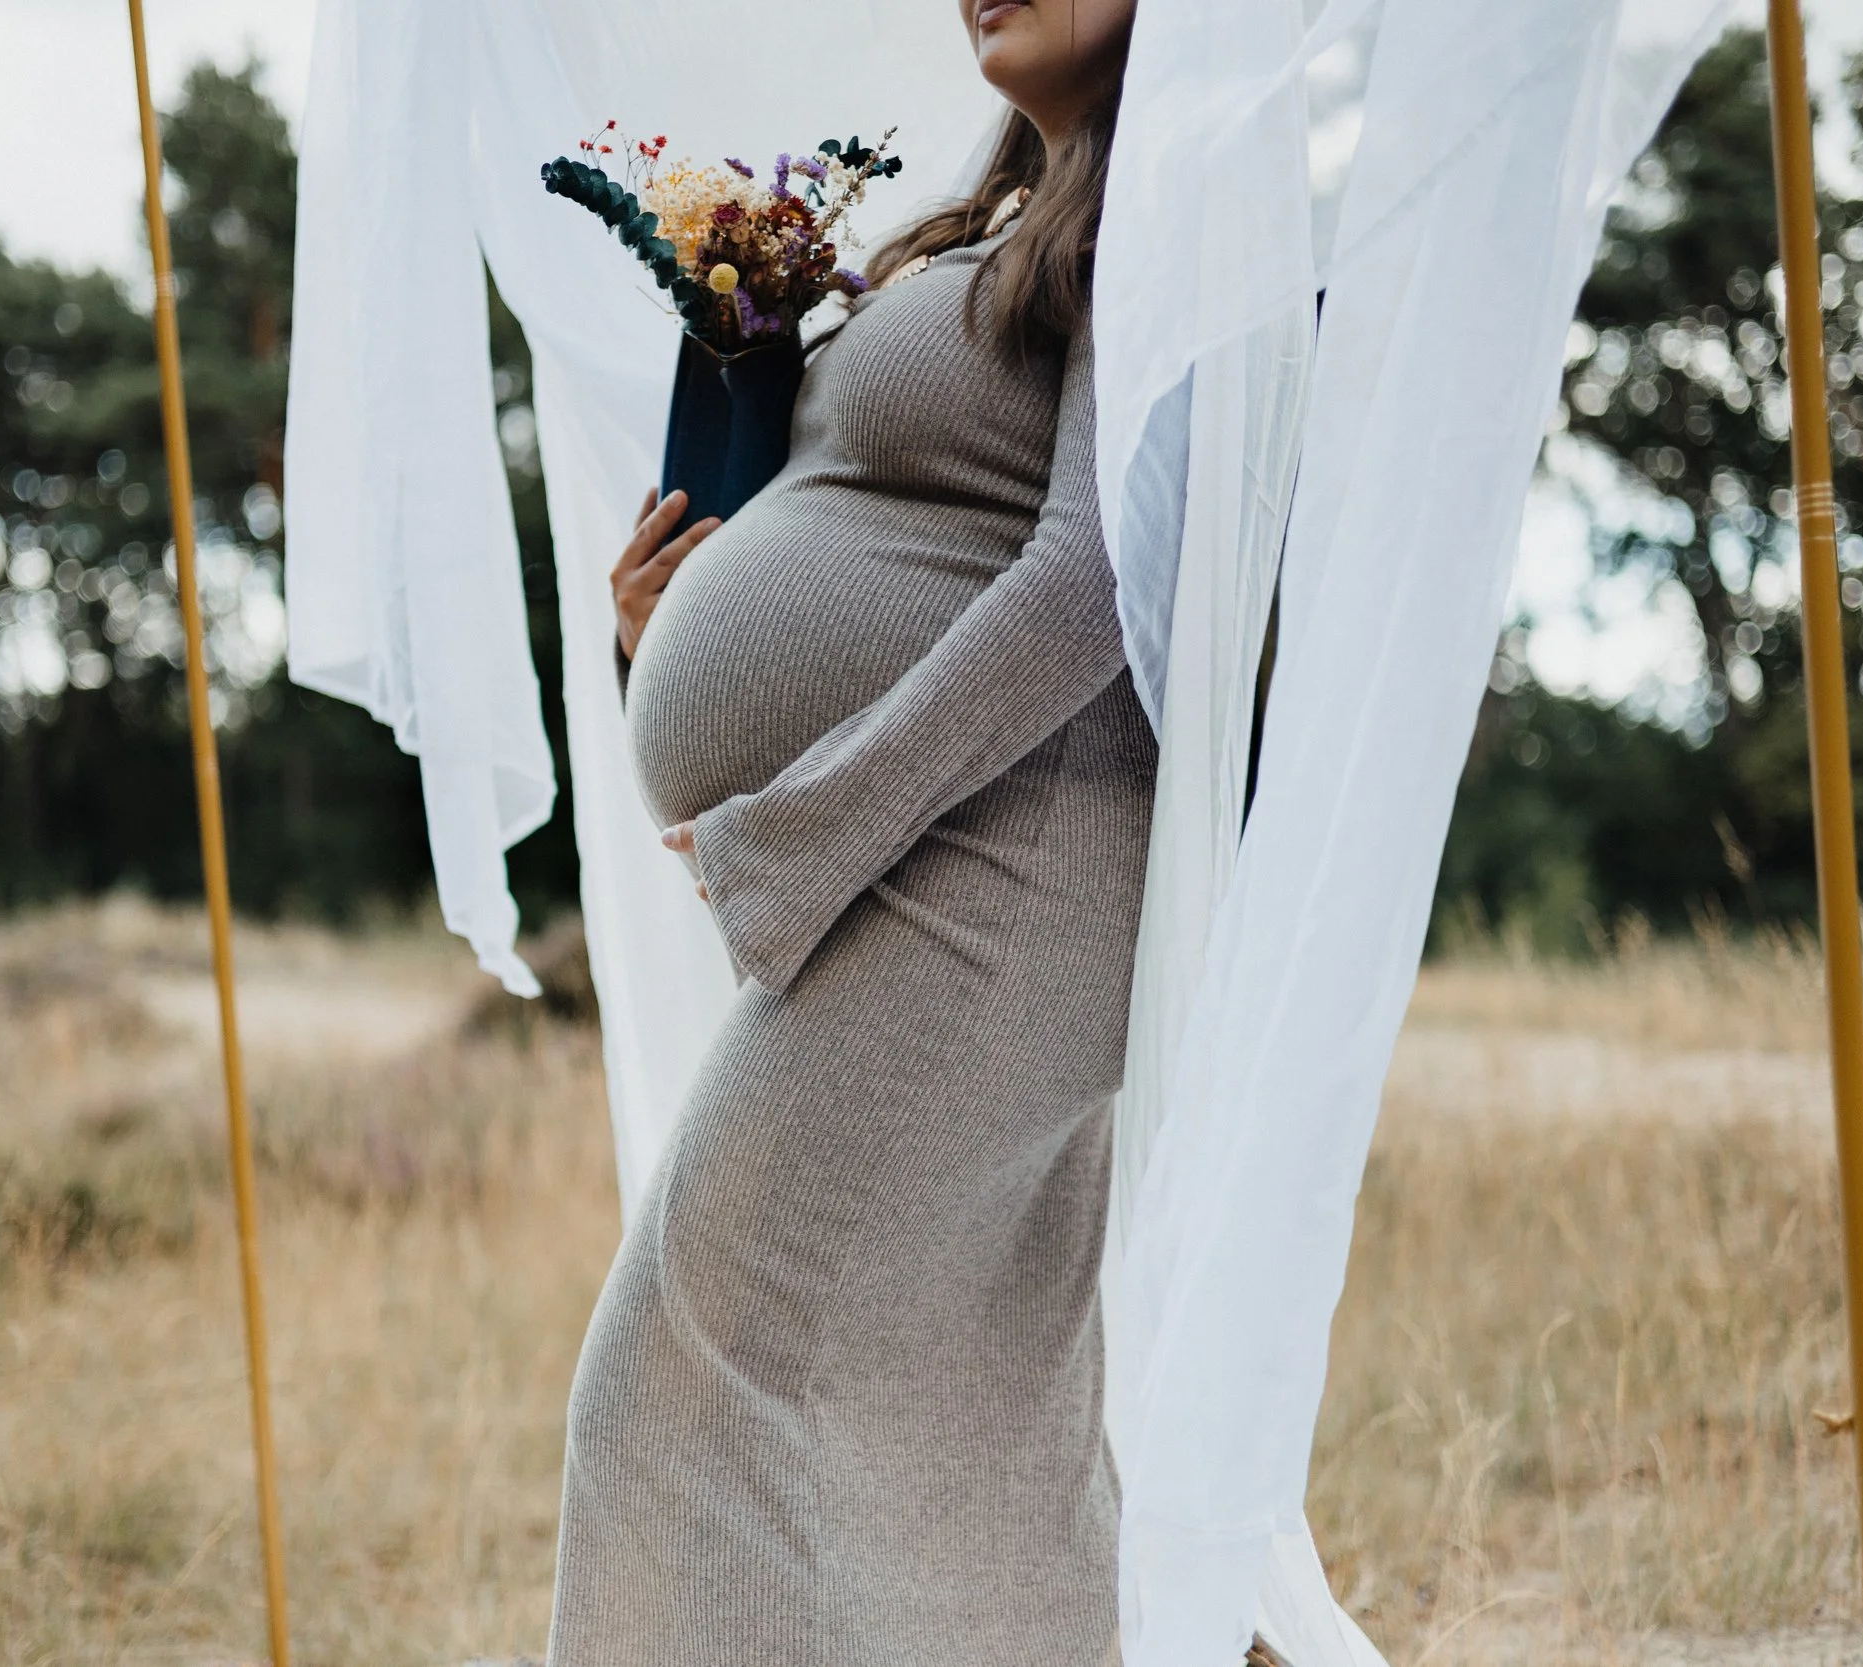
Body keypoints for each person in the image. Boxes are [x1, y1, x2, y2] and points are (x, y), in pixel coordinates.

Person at [549, 2, 1148, 1661]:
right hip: (940, 864)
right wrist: (660, 633)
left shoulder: (1163, 192)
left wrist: (802, 831)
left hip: (1013, 874)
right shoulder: (996, 211)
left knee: (681, 1381)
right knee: (967, 1406)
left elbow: (1097, 578)